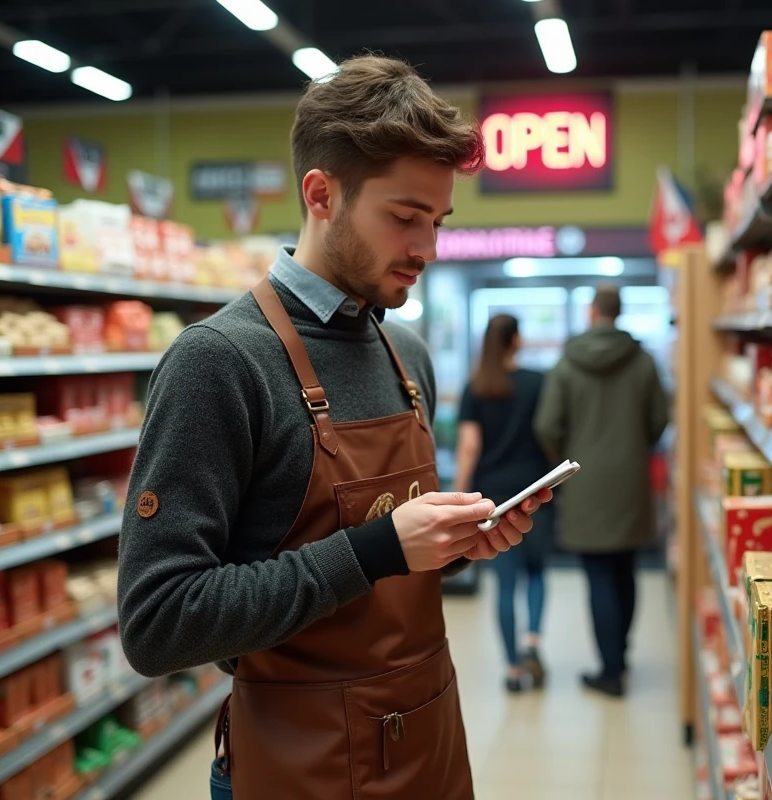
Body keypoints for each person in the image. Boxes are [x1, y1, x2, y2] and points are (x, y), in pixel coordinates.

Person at [115, 55, 551, 800]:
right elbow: (158, 623)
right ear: (322, 194)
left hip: (428, 742)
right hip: (300, 766)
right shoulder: (218, 363)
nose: (427, 250)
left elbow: (388, 566)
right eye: (405, 217)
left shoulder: (405, 354)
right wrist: (380, 547)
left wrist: (452, 547)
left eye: (438, 222)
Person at [534, 284, 669, 698]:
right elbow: (659, 419)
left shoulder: (567, 363)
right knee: (625, 570)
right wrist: (634, 445)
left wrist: (565, 460)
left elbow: (547, 425)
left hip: (584, 482)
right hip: (629, 481)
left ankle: (609, 670)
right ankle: (620, 656)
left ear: (593, 312)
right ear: (620, 311)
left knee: (597, 577)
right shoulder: (643, 361)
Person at [453, 314, 554, 693]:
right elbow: (549, 432)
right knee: (537, 573)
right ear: (516, 340)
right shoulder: (537, 383)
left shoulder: (476, 387)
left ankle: (512, 669)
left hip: (492, 498)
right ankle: (532, 643)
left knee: (505, 582)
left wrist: (459, 498)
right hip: (534, 492)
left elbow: (469, 447)